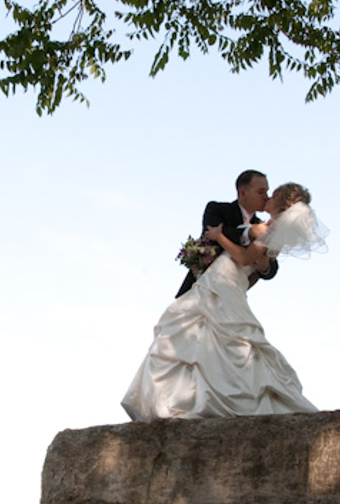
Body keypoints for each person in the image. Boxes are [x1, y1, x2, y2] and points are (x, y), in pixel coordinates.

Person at [122, 183, 326, 421]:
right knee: (208, 332)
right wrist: (240, 285)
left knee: (210, 332)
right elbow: (255, 269)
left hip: (224, 278)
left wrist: (219, 237)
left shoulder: (271, 228)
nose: (267, 197)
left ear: (280, 202)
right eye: (263, 191)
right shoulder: (266, 227)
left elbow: (245, 257)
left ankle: (187, 400)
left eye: (272, 194)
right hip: (227, 282)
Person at [176, 170, 279, 298]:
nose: (266, 197)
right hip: (199, 288)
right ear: (243, 192)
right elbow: (215, 232)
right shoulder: (217, 209)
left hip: (231, 293)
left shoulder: (262, 226)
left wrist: (265, 267)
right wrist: (250, 232)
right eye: (260, 192)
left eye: (267, 192)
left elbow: (272, 267)